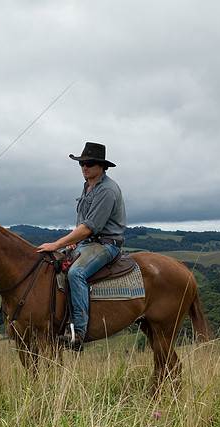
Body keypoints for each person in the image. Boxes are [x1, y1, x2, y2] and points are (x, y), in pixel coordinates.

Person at [37, 142, 126, 351]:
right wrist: (73, 240)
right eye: (82, 163)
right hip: (86, 243)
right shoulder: (88, 185)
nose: (84, 167)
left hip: (105, 245)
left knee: (75, 273)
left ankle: (79, 332)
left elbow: (90, 226)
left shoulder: (107, 190)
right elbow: (82, 223)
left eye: (89, 163)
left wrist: (58, 243)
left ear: (102, 166)